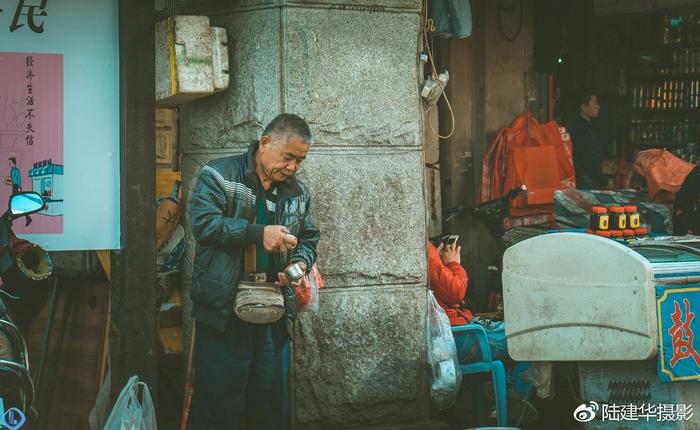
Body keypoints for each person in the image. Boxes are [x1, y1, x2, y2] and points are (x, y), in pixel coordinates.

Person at [188, 113, 320, 429]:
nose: (293, 168)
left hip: (275, 311)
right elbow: (203, 224)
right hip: (223, 311)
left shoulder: (298, 191)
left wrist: (299, 264)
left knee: (271, 406)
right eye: (288, 157)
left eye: (300, 161)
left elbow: (309, 237)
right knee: (218, 406)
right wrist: (258, 234)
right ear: (265, 143)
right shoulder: (219, 175)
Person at [428, 239, 536, 427]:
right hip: (461, 337)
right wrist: (453, 263)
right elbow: (455, 291)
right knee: (530, 339)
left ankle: (504, 395)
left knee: (516, 333)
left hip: (459, 333)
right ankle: (514, 399)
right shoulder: (423, 247)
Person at [567, 89, 608, 190]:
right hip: (586, 181)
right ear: (583, 107)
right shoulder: (580, 129)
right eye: (595, 103)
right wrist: (601, 179)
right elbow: (585, 159)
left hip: (590, 179)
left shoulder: (588, 126)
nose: (598, 107)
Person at [8, 157, 32, 226]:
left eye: (10, 163)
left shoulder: (16, 170)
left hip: (17, 187)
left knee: (16, 203)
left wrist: (19, 188)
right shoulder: (11, 171)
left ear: (14, 163)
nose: (9, 164)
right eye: (9, 163)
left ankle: (11, 219)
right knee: (15, 203)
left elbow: (19, 180)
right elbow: (12, 179)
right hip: (14, 187)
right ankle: (28, 218)